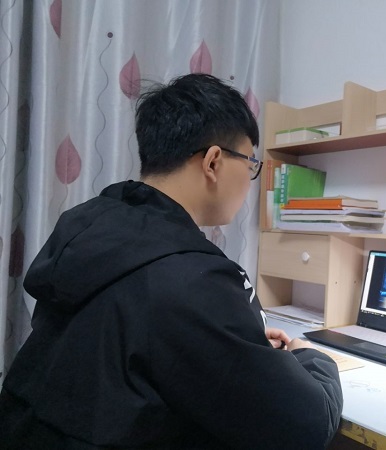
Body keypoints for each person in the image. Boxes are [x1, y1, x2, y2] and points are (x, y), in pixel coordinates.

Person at [0, 74, 343, 449]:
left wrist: (237, 338)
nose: (250, 181)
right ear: (213, 162)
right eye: (249, 164)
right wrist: (310, 356)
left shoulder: (89, 226)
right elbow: (306, 426)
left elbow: (129, 335)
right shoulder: (192, 277)